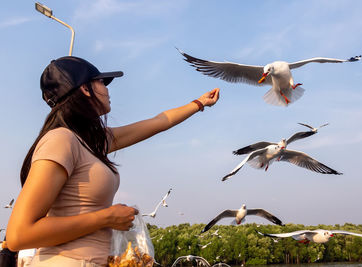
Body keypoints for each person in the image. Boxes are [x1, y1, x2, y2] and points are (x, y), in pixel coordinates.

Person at [6, 56, 220, 266]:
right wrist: (107, 218)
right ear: (84, 88)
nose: (107, 89)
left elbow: (158, 122)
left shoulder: (92, 142)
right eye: (102, 82)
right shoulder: (61, 140)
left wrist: (199, 103)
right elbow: (18, 235)